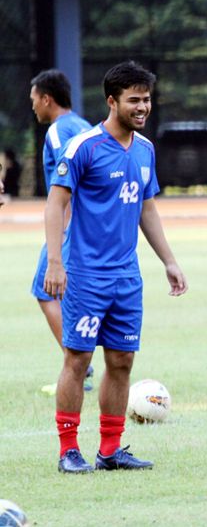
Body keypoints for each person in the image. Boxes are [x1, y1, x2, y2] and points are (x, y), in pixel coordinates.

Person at [44, 61, 188, 475]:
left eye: (146, 99)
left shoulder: (144, 150)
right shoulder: (84, 146)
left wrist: (169, 260)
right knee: (77, 357)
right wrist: (56, 261)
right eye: (134, 100)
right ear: (112, 101)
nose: (142, 107)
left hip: (127, 277)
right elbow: (56, 202)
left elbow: (146, 208)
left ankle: (110, 450)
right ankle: (69, 450)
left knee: (122, 360)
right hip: (87, 274)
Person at [28, 69, 95, 395]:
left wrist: (64, 233)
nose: (33, 107)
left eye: (34, 100)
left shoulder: (58, 132)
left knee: (44, 290)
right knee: (66, 291)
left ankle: (78, 364)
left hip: (69, 228)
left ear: (46, 98)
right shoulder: (84, 126)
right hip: (90, 227)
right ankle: (80, 361)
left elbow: (65, 186)